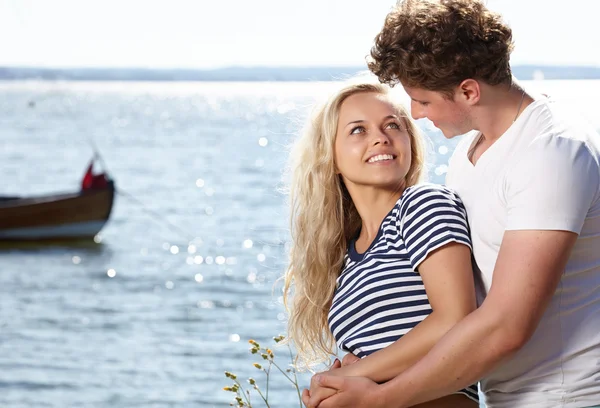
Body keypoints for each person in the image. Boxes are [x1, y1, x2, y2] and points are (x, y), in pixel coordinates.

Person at [303, 1, 600, 407]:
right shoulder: (468, 156)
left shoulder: (552, 150)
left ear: (469, 91)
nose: (416, 115)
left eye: (422, 101)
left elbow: (505, 325)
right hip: (505, 397)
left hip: (569, 397)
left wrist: (379, 397)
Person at [283, 77, 480, 408]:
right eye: (358, 130)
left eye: (393, 125)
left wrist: (344, 379)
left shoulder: (422, 205)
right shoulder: (346, 258)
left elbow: (456, 320)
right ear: (329, 155)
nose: (381, 138)